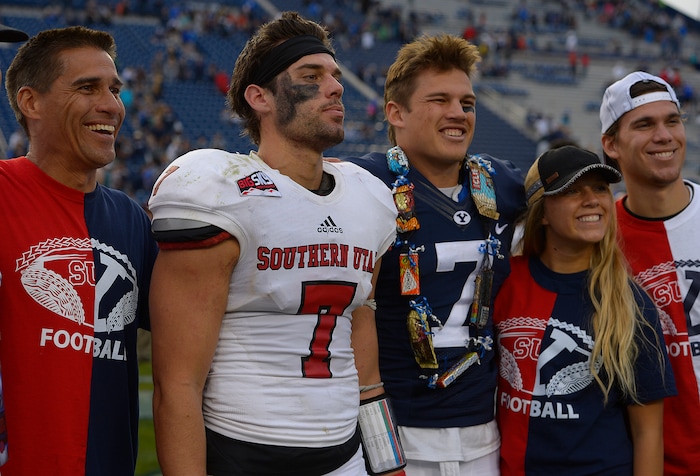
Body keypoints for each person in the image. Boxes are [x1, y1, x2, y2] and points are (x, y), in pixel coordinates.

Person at [147, 11, 405, 475]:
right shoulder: (220, 191)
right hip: (245, 454)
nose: (335, 87)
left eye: (335, 76)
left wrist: (387, 460)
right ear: (259, 97)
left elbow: (360, 333)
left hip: (346, 458)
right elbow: (178, 383)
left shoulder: (369, 198)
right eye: (311, 76)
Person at [344, 34, 525, 475]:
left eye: (467, 103)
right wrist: (380, 444)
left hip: (484, 432)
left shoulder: (501, 182)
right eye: (439, 99)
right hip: (395, 430)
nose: (458, 114)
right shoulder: (358, 185)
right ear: (396, 113)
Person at [0, 26, 158, 474]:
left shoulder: (130, 219)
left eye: (114, 89)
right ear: (31, 102)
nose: (111, 105)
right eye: (87, 88)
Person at [494, 145, 676, 475]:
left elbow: (648, 432)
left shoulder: (630, 302)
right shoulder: (505, 281)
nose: (592, 199)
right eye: (572, 190)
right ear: (543, 212)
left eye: (600, 189)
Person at [600, 71, 700, 475]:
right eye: (645, 124)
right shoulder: (597, 241)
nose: (664, 136)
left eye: (672, 121)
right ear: (611, 145)